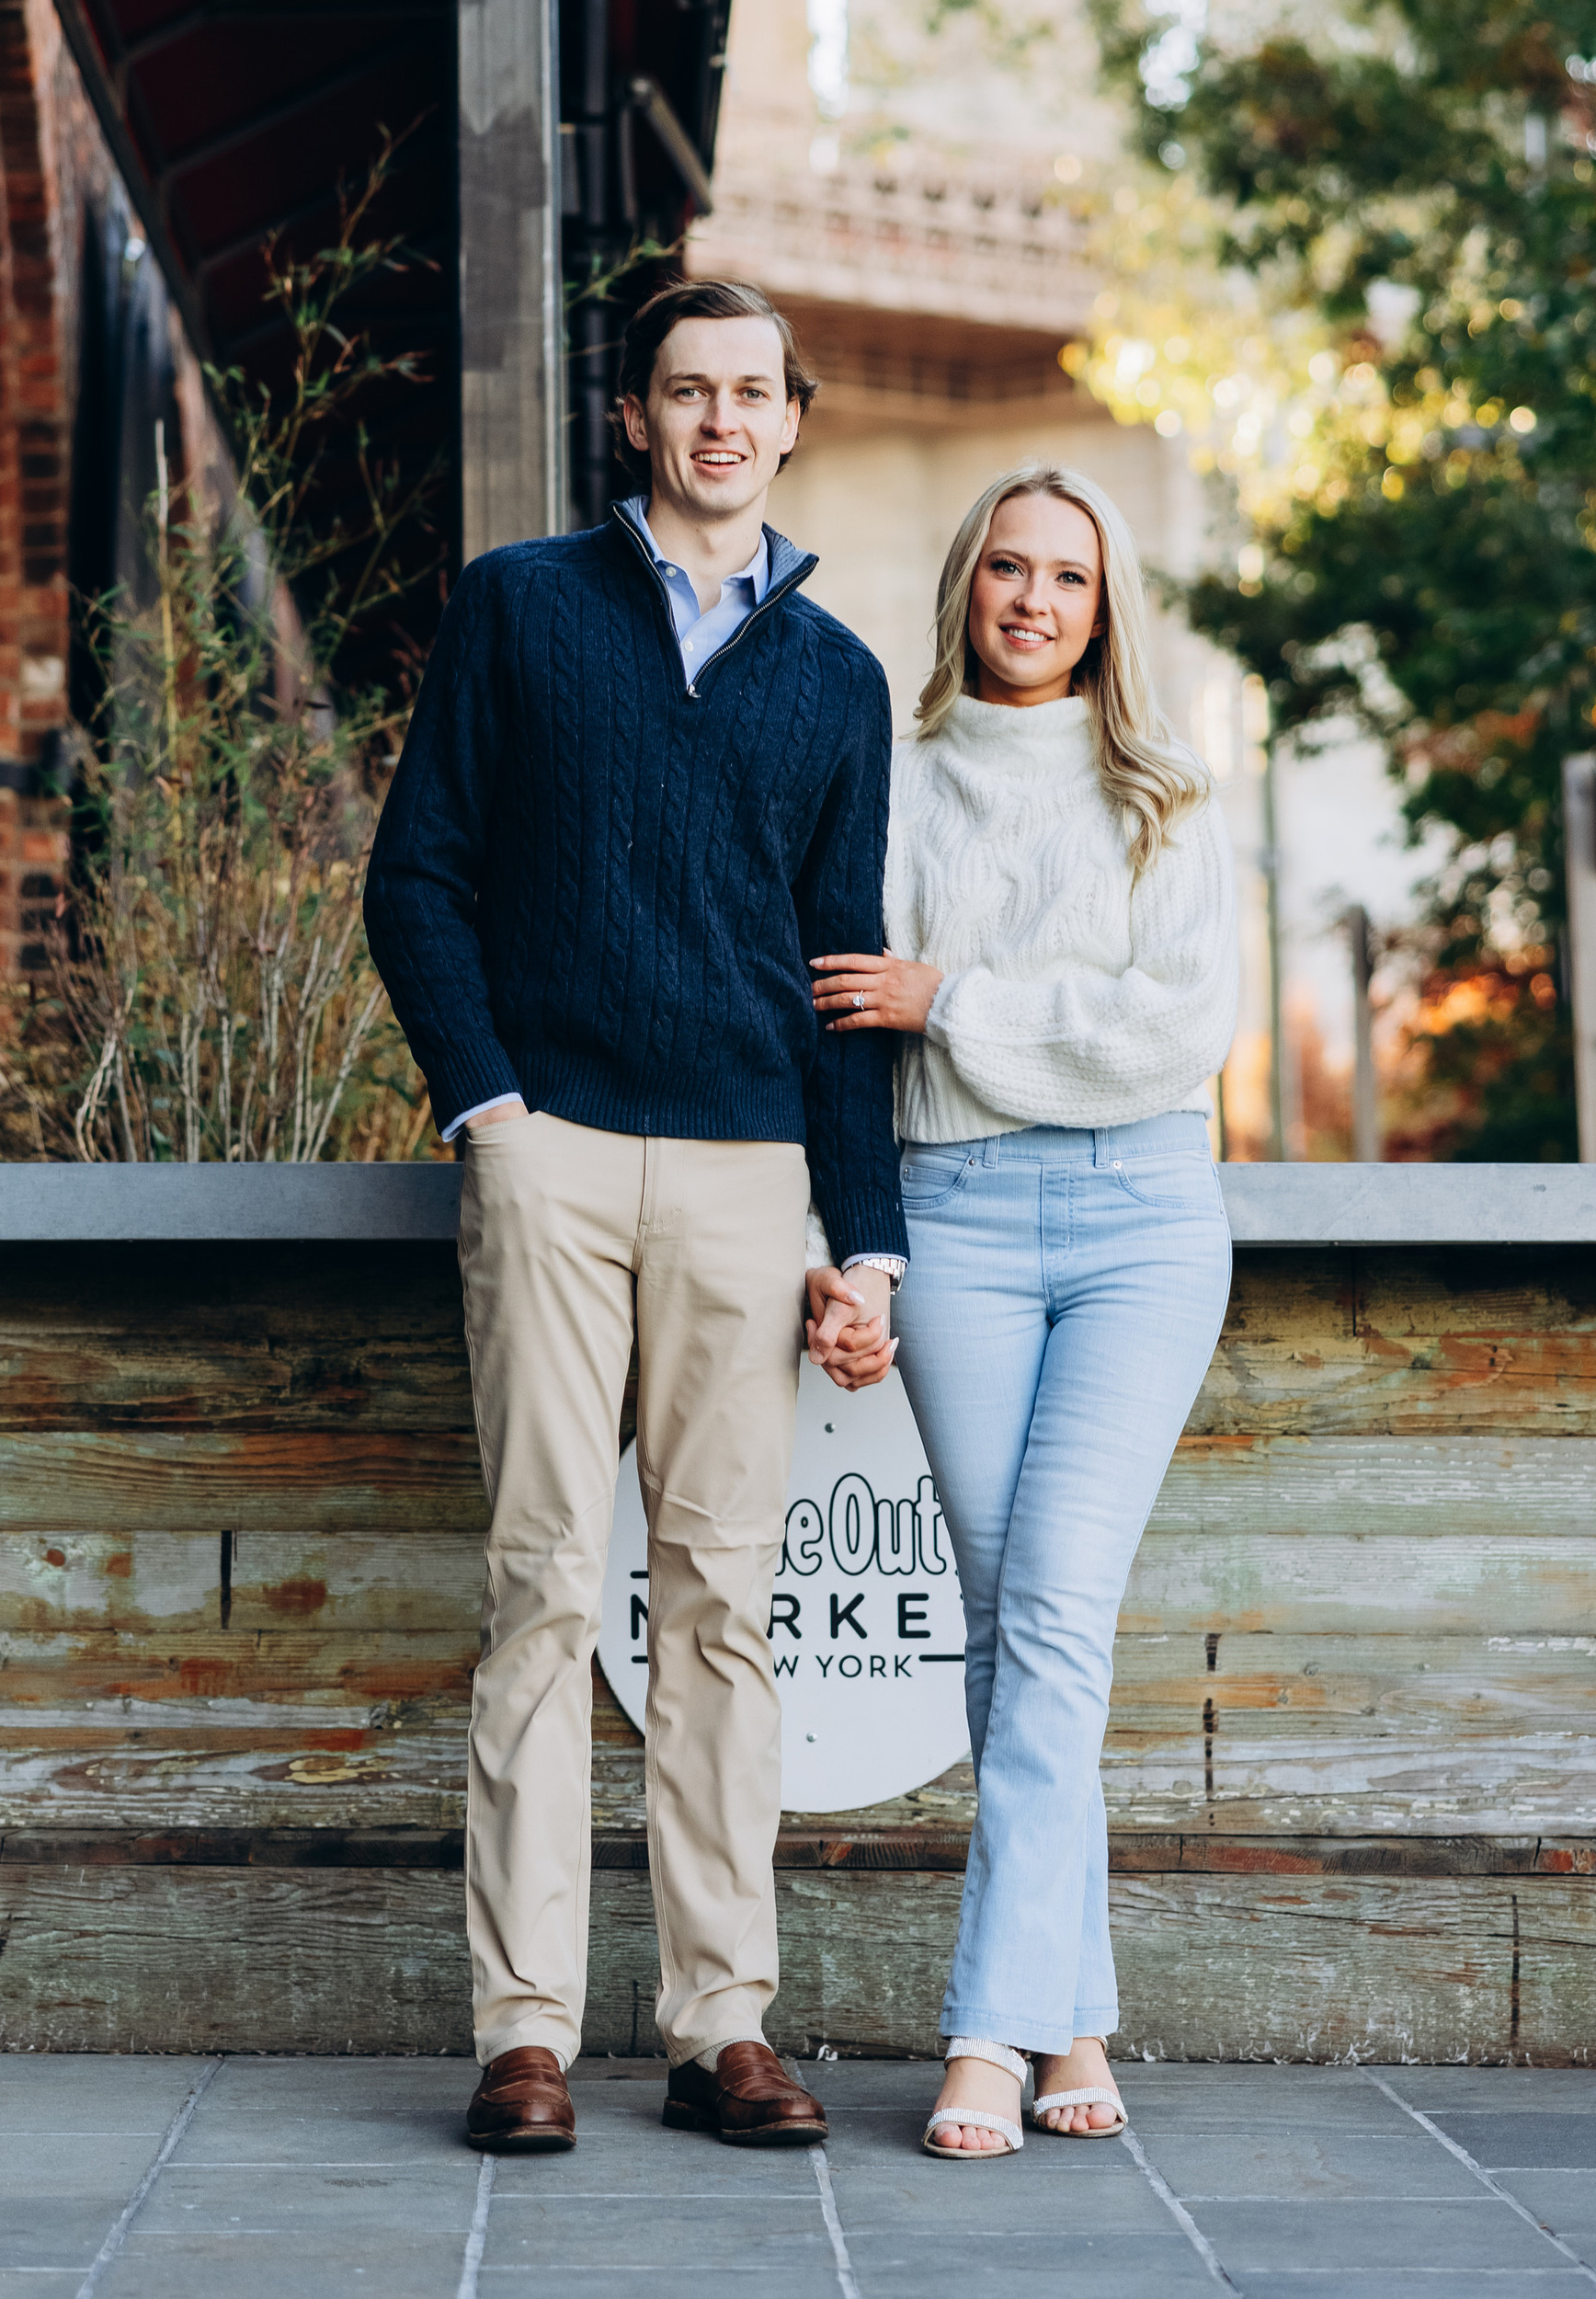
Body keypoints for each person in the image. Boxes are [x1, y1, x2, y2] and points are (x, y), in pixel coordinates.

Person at [364, 278, 906, 2162]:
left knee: (722, 1607)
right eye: (688, 389)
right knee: (539, 1585)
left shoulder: (837, 677)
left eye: (752, 391)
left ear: (792, 417)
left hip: (752, 1171)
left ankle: (716, 2023)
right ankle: (523, 2031)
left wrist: (865, 1237)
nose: (720, 419)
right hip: (556, 1156)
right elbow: (418, 874)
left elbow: (843, 978)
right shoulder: (522, 606)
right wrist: (489, 1107)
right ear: (635, 415)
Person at [807, 464, 1237, 2159]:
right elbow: (846, 1027)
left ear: (1105, 604)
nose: (1035, 599)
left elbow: (1174, 1028)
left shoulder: (1167, 791)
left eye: (1069, 574)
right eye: (1008, 566)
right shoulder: (894, 782)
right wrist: (855, 1246)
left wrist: (956, 1002)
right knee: (1011, 1631)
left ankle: (985, 2030)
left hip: (1143, 1219)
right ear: (965, 584)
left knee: (1053, 1610)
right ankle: (1079, 2015)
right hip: (958, 1215)